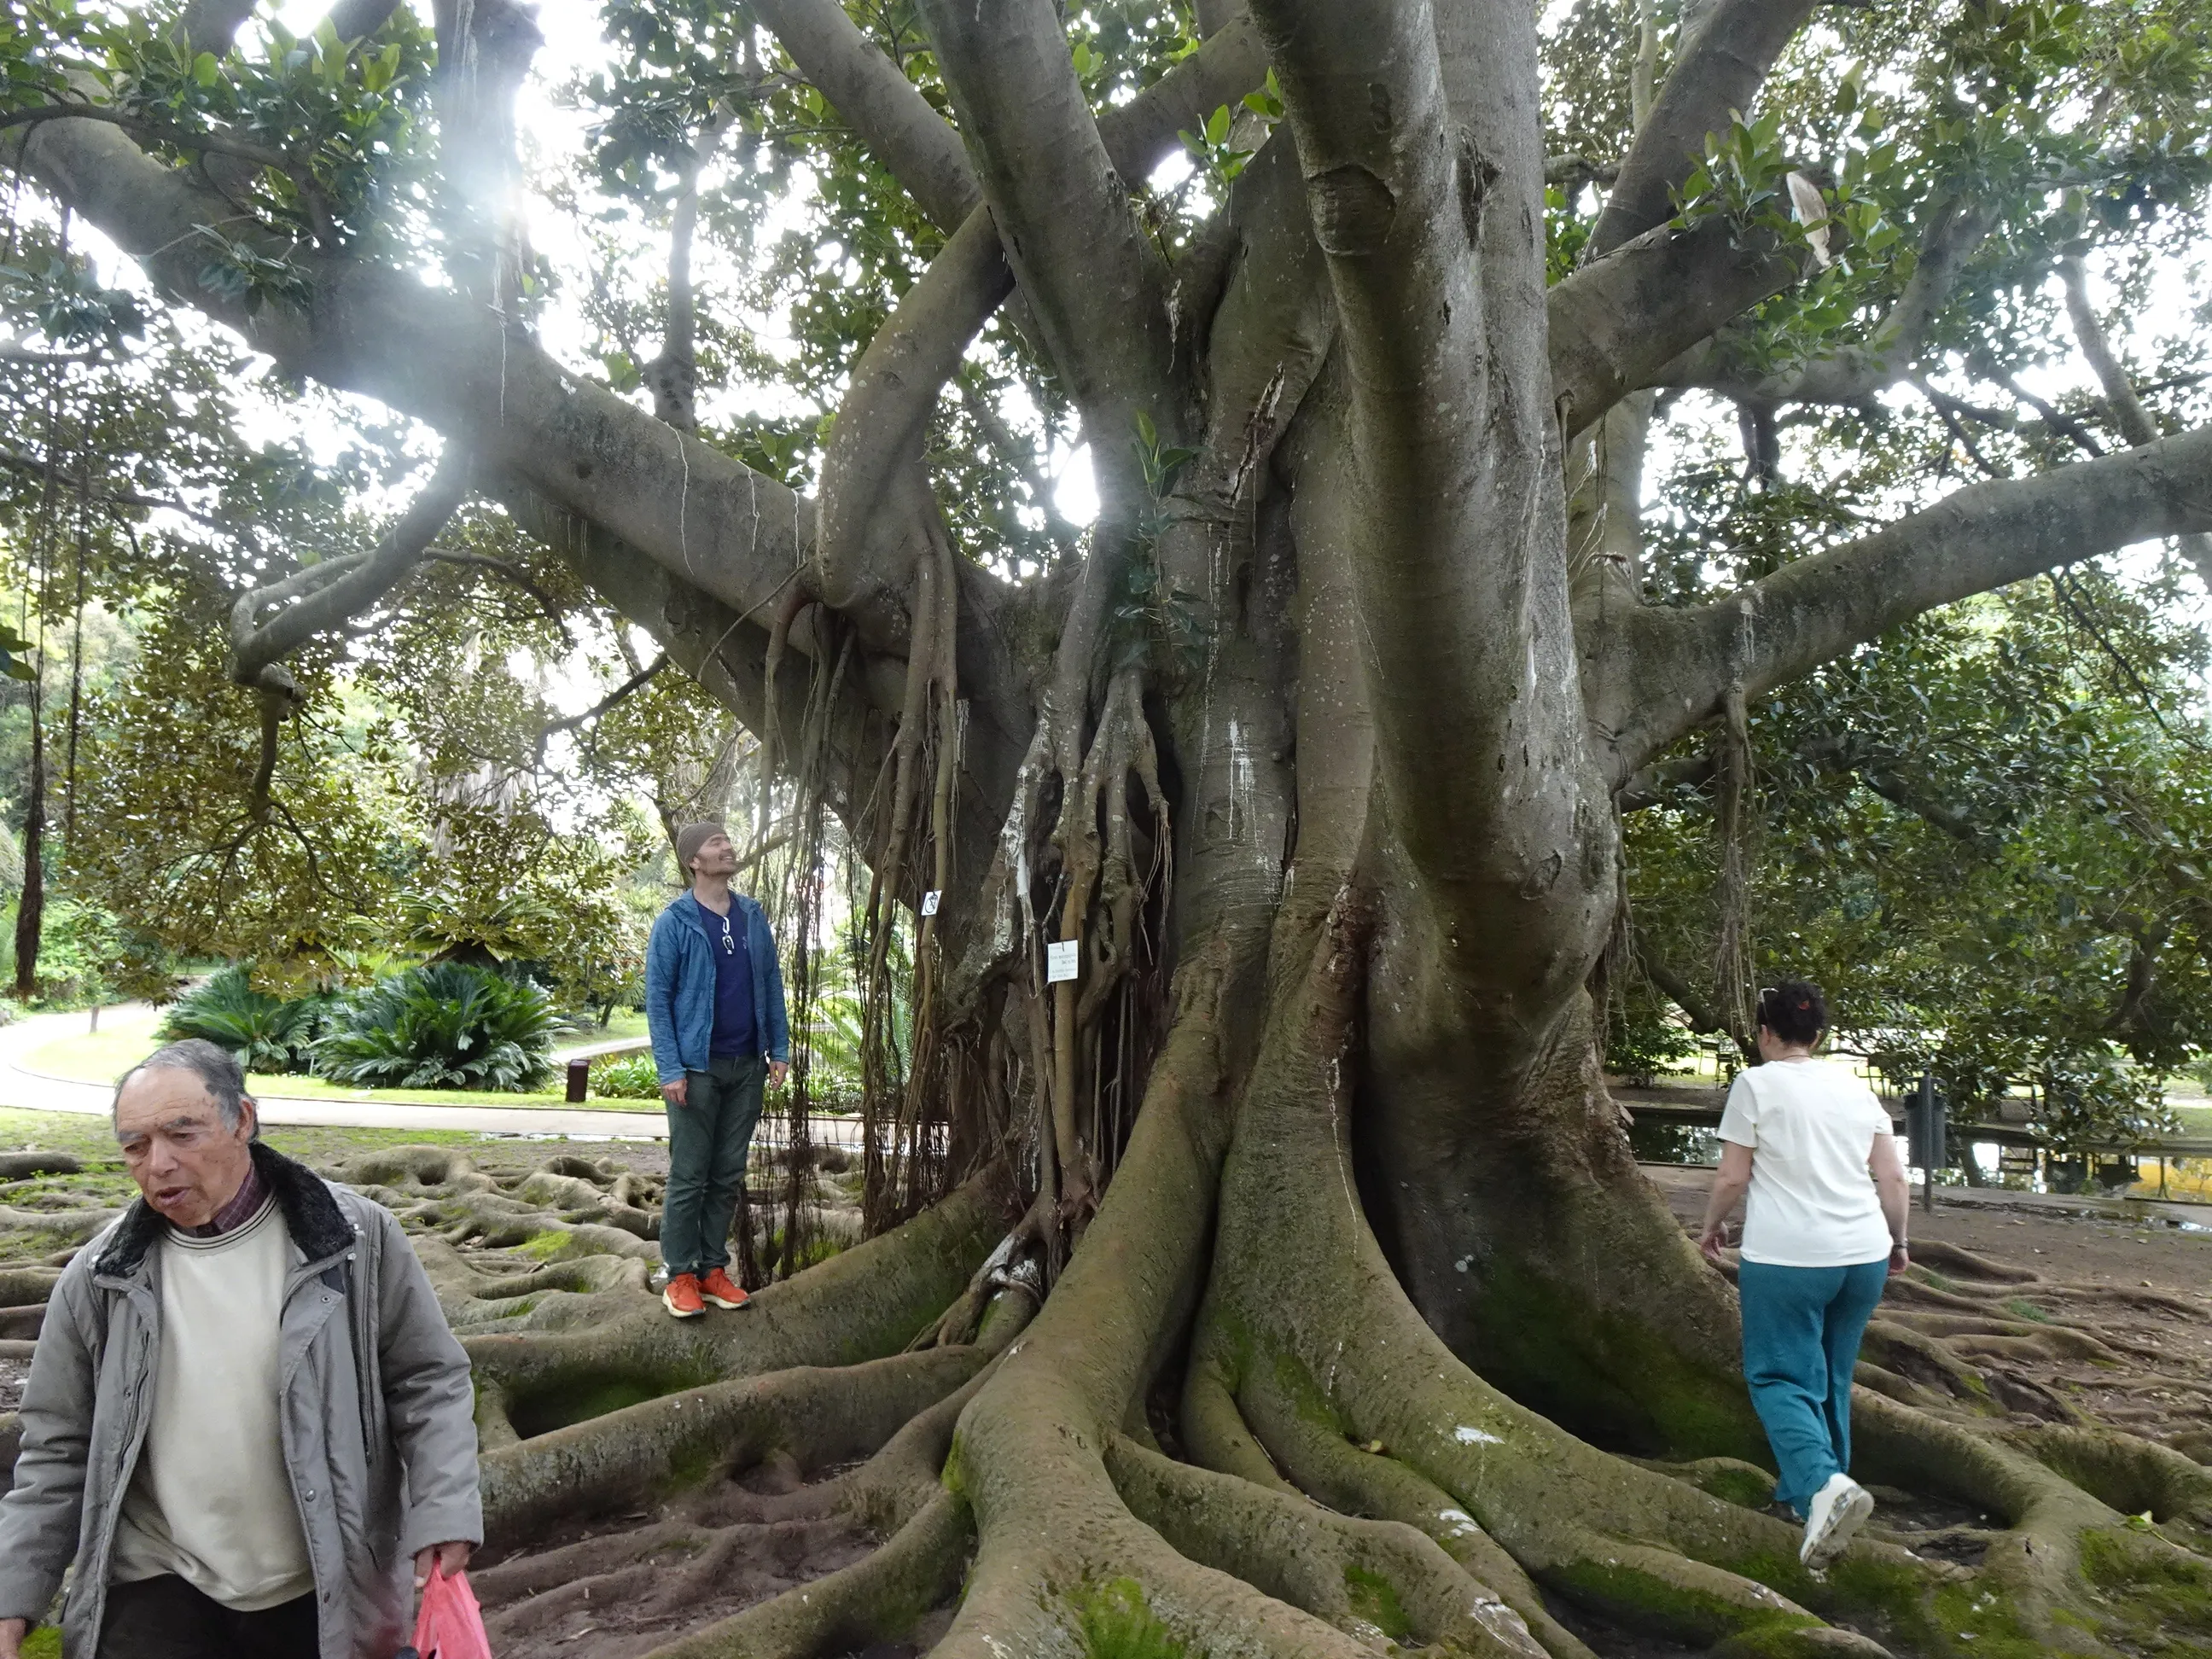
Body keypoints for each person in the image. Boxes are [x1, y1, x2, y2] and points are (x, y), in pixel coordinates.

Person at [0, 1039, 480, 1659]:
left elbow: (428, 1381)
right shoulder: (100, 1276)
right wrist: (12, 1598)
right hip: (155, 1574)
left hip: (322, 1582)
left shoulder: (354, 1241)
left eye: (182, 1134)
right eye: (136, 1146)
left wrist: (444, 1508)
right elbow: (56, 1447)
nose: (160, 1163)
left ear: (243, 1120)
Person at [1697, 981, 1911, 1570]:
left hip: (1789, 1259)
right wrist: (1898, 1241)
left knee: (1778, 1378)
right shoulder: (1855, 1088)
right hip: (1863, 1256)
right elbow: (1893, 1177)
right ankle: (1808, 1503)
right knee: (1831, 1377)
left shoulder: (1755, 1084)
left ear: (1765, 1033)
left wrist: (1711, 1227)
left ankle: (1821, 1485)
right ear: (1818, 1035)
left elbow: (1733, 1177)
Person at [647, 820, 790, 1320]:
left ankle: (712, 1270)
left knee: (727, 1175)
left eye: (727, 840)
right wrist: (671, 1068)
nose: (727, 847)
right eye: (716, 842)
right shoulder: (675, 922)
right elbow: (658, 1000)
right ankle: (679, 1275)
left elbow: (770, 983)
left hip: (746, 1065)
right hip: (696, 1069)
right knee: (690, 1175)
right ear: (694, 861)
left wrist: (778, 1048)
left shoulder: (751, 915)